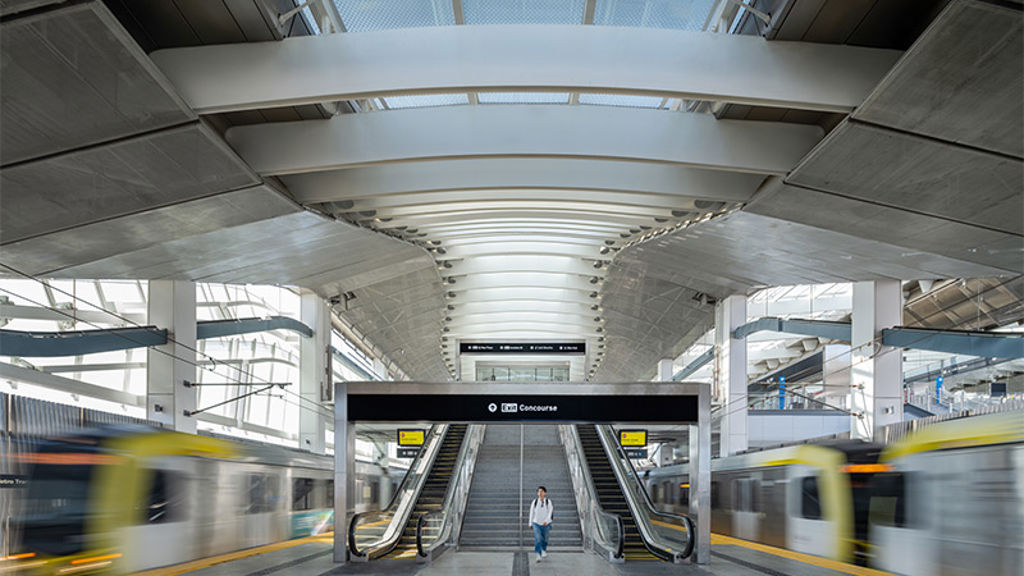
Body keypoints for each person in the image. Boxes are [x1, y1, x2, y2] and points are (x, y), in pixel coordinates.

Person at [528, 485, 553, 562]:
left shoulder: (548, 502)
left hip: (546, 524)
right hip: (536, 523)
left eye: (541, 491)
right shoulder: (535, 502)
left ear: (545, 493)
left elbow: (550, 512)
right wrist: (530, 523)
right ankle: (538, 554)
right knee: (538, 538)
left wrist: (547, 521)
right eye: (538, 491)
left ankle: (543, 550)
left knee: (545, 539)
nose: (540, 493)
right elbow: (531, 512)